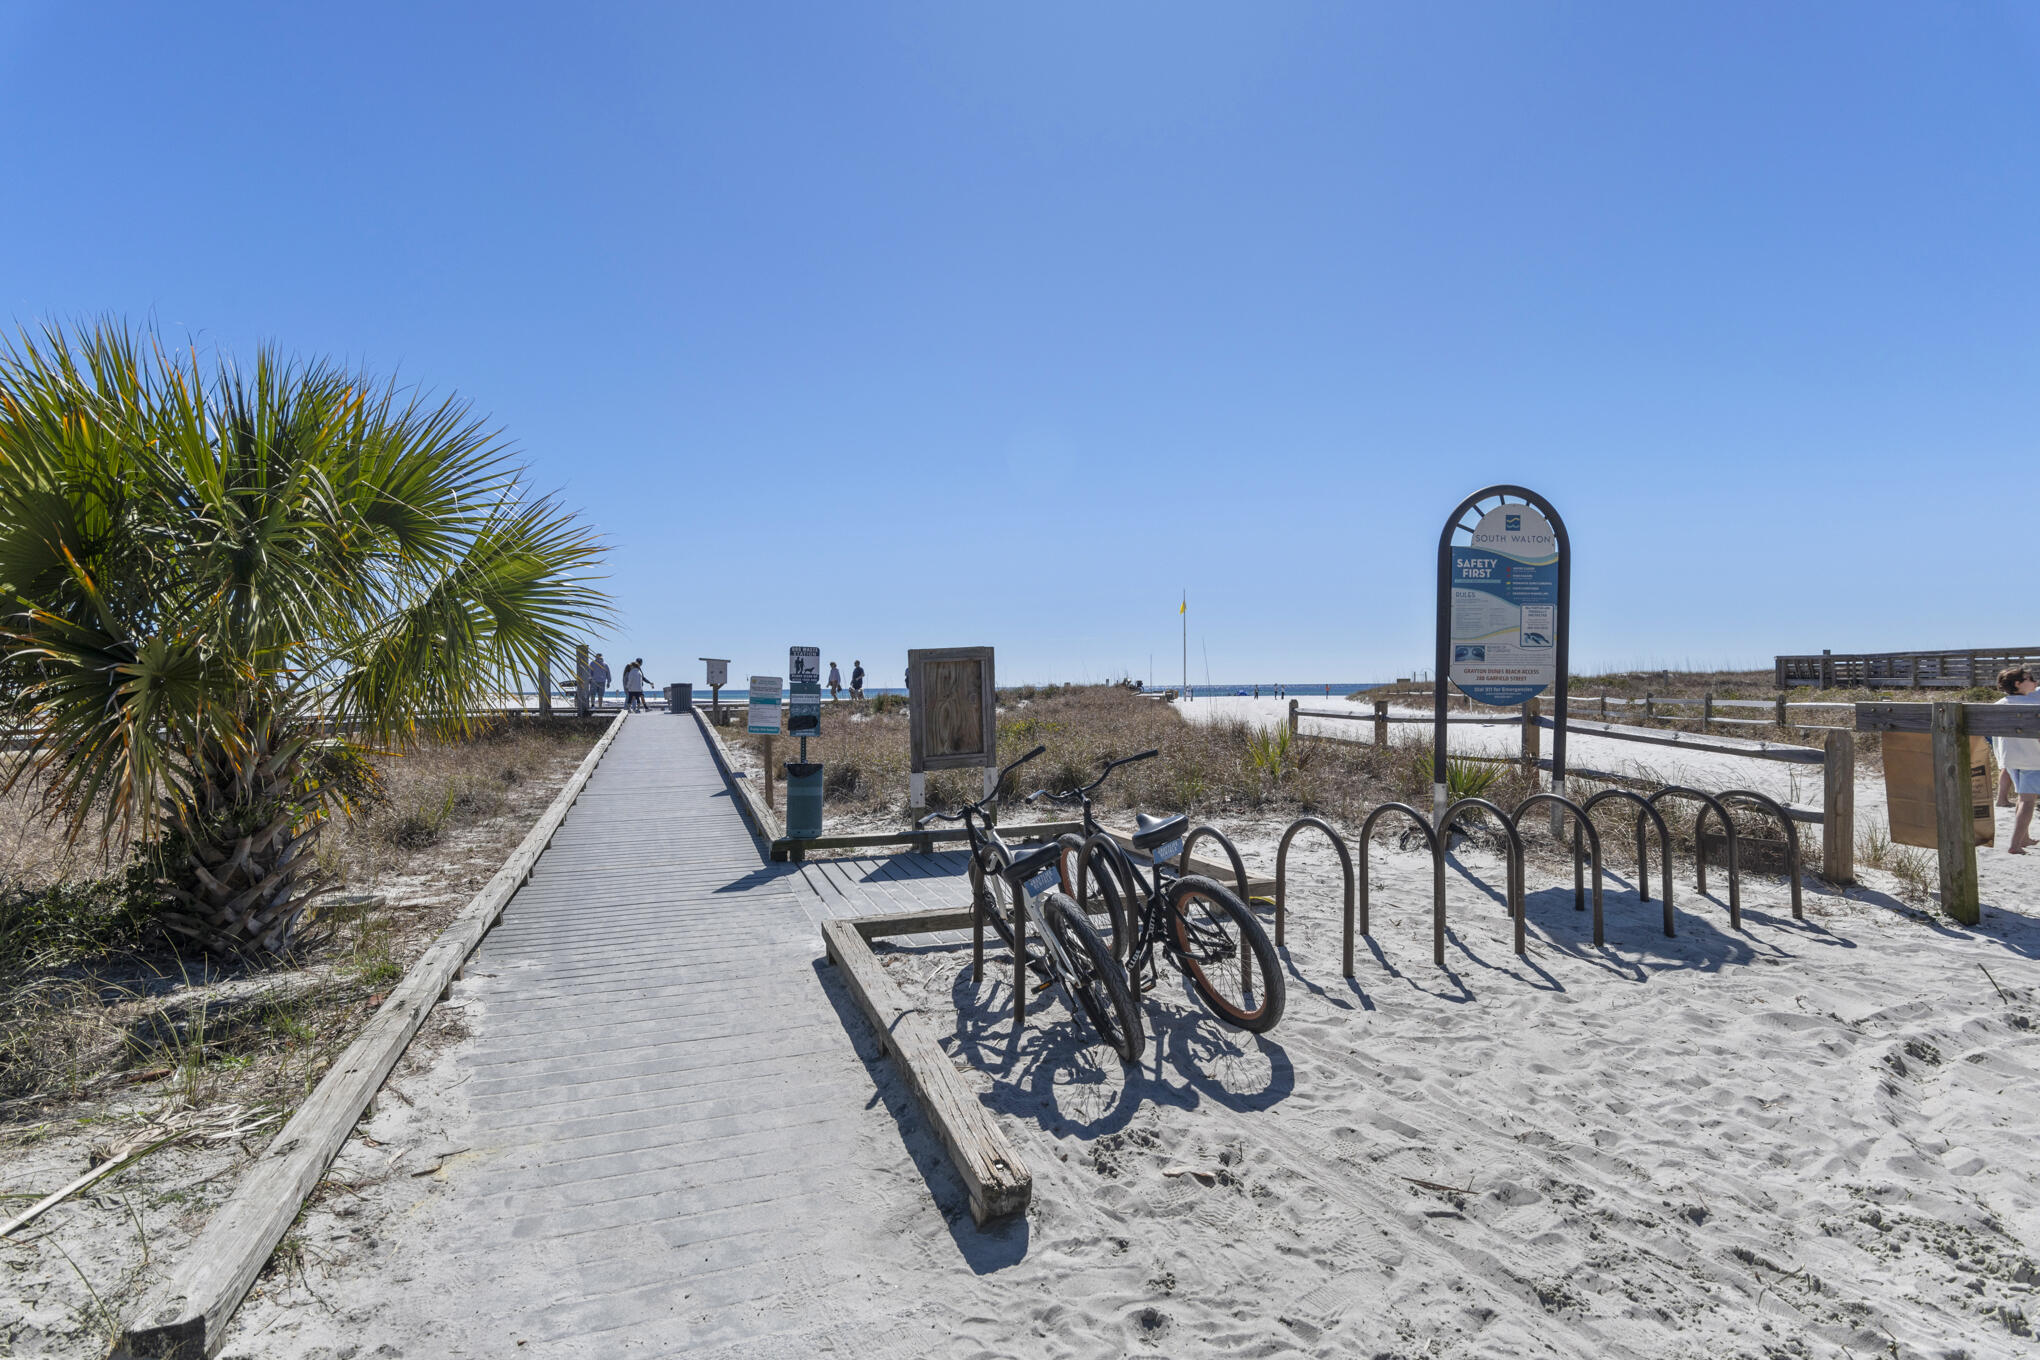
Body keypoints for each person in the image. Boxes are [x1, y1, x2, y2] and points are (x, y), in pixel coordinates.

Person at [1996, 667, 2040, 854]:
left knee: (2022, 798)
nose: (2035, 682)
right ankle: (2015, 845)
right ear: (2017, 684)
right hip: (2032, 759)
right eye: (2030, 679)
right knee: (2028, 801)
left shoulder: (1999, 704)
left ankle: (2024, 838)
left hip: (2010, 759)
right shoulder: (2034, 703)